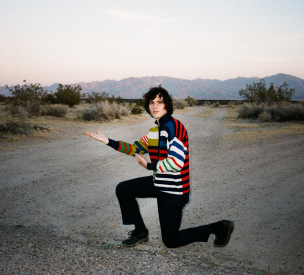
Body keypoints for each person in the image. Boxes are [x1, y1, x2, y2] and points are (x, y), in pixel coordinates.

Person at [84, 86, 234, 248]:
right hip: (159, 182)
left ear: (166, 105)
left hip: (174, 189)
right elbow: (135, 149)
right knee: (123, 189)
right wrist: (108, 141)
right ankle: (140, 231)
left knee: (171, 240)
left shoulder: (174, 127)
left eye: (159, 102)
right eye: (151, 102)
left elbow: (177, 163)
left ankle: (218, 227)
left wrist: (149, 165)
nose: (155, 106)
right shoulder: (154, 130)